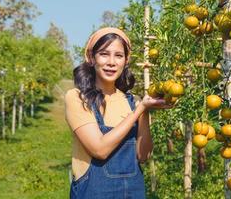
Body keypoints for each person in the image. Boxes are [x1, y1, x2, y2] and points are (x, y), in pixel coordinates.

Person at [65, 27, 171, 198]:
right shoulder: (78, 98)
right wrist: (139, 110)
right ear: (92, 58)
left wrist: (144, 110)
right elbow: (99, 149)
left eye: (119, 55)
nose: (112, 62)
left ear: (126, 60)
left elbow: (143, 156)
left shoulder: (133, 102)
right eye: (104, 54)